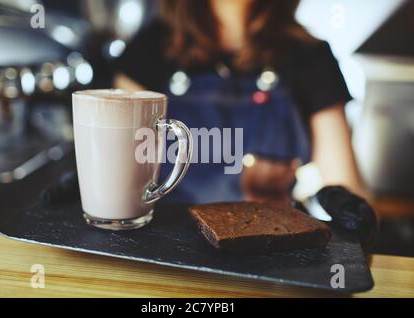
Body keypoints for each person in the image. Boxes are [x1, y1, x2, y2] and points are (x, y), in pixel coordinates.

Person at [114, 0, 365, 204]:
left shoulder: (311, 57)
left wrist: (352, 216)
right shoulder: (148, 50)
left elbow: (345, 187)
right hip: (164, 249)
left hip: (268, 249)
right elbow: (120, 178)